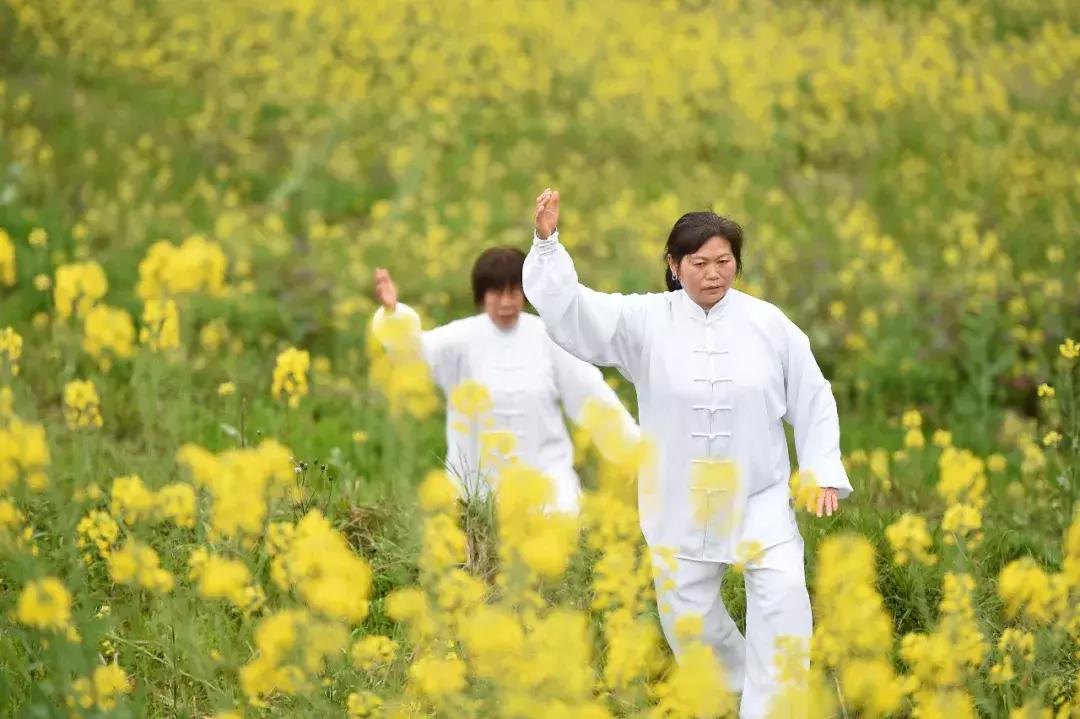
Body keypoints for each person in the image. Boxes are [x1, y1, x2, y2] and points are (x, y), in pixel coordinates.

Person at [523, 188, 852, 718]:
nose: (713, 273)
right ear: (674, 266)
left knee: (784, 598)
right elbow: (574, 311)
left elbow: (812, 396)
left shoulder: (770, 325)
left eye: (724, 261)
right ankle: (736, 693)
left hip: (759, 496)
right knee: (688, 618)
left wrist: (820, 470)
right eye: (699, 263)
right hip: (679, 499)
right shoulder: (644, 321)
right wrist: (546, 245)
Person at [371, 246, 637, 514]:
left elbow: (591, 394)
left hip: (547, 484)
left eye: (514, 292)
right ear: (481, 296)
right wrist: (394, 314)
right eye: (497, 293)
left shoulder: (549, 337)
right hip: (476, 489)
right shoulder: (461, 338)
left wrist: (634, 454)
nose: (507, 302)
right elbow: (415, 354)